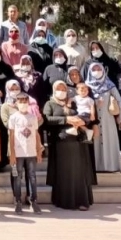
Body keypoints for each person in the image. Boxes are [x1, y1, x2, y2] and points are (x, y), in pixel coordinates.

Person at [44, 80, 94, 210]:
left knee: (79, 172)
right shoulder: (50, 103)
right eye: (58, 88)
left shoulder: (74, 102)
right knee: (64, 173)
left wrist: (81, 121)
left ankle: (81, 201)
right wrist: (66, 119)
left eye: (63, 88)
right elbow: (46, 120)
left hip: (78, 143)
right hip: (61, 143)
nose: (61, 91)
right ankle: (65, 201)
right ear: (54, 90)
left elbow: (87, 115)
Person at [85, 63, 121, 173]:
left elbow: (119, 101)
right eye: (94, 69)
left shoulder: (109, 85)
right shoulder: (86, 86)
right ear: (89, 71)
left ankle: (110, 166)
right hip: (92, 120)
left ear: (104, 71)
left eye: (99, 68)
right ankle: (96, 167)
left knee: (109, 142)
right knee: (95, 142)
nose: (97, 70)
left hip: (108, 119)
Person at [8, 93, 44, 214]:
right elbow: (11, 136)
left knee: (32, 177)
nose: (23, 104)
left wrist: (38, 151)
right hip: (18, 152)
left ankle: (34, 201)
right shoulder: (13, 117)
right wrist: (12, 153)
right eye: (20, 101)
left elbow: (37, 134)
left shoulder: (33, 117)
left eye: (25, 101)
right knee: (17, 177)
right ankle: (18, 201)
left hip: (31, 152)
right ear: (16, 103)